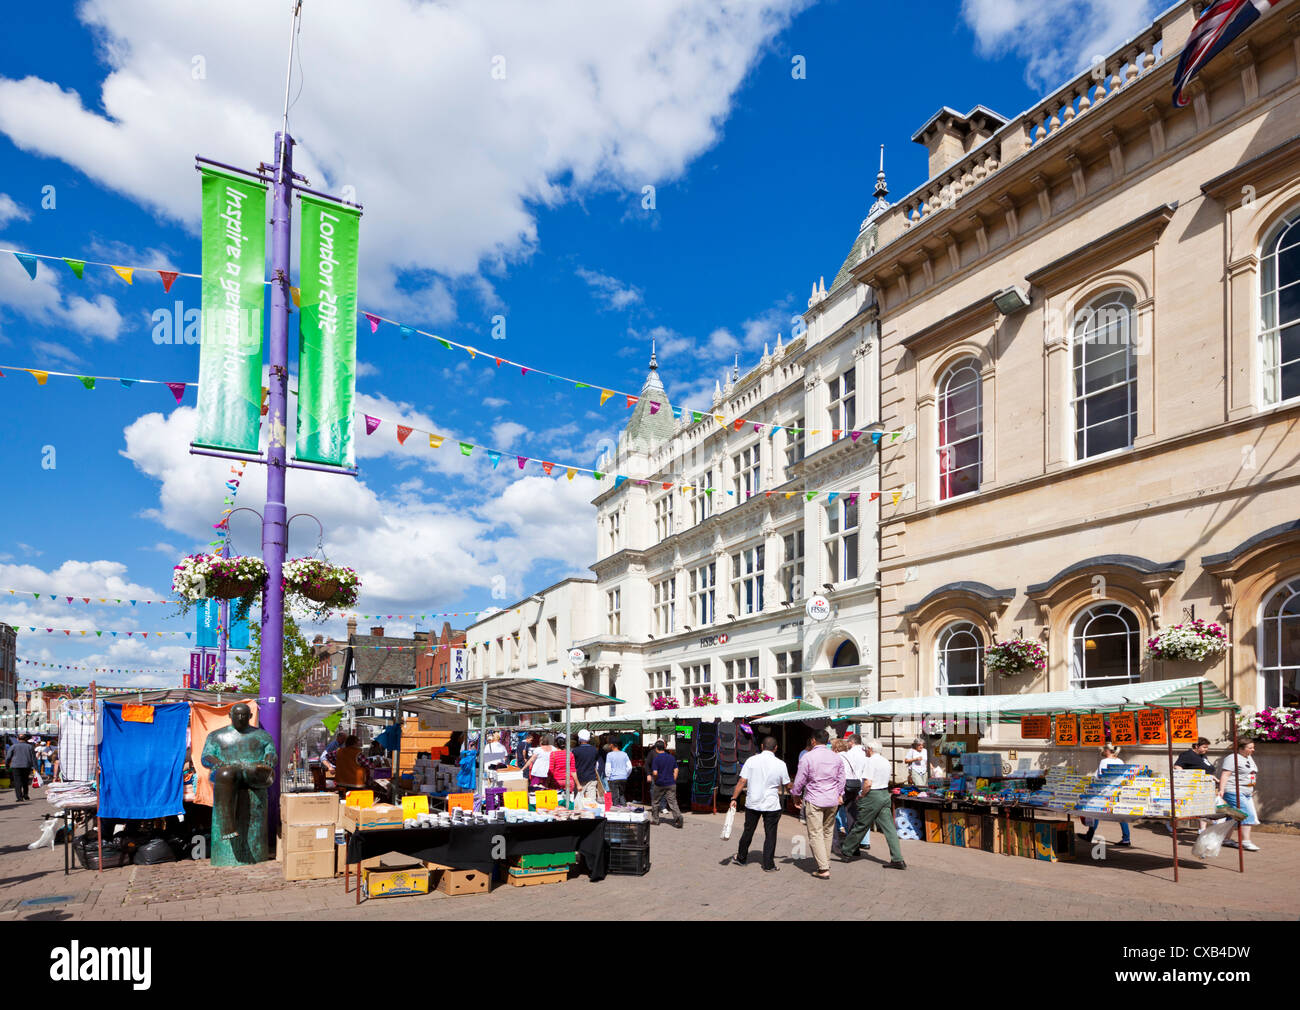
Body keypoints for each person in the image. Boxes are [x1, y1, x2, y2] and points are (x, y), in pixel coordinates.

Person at [841, 739, 906, 868]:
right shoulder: (885, 761)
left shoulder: (870, 761)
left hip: (873, 795)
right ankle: (897, 858)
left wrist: (862, 795)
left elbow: (868, 783)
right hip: (884, 794)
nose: (864, 751)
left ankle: (847, 850)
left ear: (870, 749)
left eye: (865, 749)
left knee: (861, 824)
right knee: (889, 828)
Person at [791, 728, 846, 880]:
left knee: (815, 833)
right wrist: (840, 793)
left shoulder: (808, 757)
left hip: (815, 799)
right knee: (828, 831)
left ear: (813, 740)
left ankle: (823, 868)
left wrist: (795, 795)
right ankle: (825, 861)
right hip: (832, 799)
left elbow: (800, 779)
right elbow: (842, 779)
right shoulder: (836, 757)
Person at [730, 736, 790, 871]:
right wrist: (797, 795)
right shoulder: (781, 764)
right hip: (772, 804)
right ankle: (769, 865)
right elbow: (787, 784)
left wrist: (734, 798)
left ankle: (741, 857)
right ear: (776, 748)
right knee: (770, 834)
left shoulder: (751, 760)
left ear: (762, 746)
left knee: (748, 831)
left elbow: (742, 781)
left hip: (753, 803)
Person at [1080, 744, 1131, 846]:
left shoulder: (1104, 761)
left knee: (1095, 812)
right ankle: (1126, 838)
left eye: (1104, 749)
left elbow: (1100, 776)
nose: (1102, 750)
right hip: (1117, 791)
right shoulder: (1120, 761)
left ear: (1108, 750)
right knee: (1120, 815)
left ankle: (1090, 835)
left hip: (1105, 791)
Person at [1219, 739, 1260, 851]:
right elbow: (1225, 775)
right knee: (1246, 814)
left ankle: (1225, 839)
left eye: (1253, 747)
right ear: (1241, 748)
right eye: (1250, 748)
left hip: (1246, 792)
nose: (1253, 750)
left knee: (1233, 817)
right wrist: (1221, 790)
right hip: (1234, 791)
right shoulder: (1232, 758)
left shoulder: (1248, 757)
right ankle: (1245, 841)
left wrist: (1250, 788)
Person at [834, 735, 869, 854]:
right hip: (854, 786)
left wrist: (838, 793)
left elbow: (837, 775)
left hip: (843, 787)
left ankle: (836, 845)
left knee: (831, 815)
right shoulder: (852, 755)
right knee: (852, 816)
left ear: (835, 749)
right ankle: (855, 847)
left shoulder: (837, 757)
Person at [648, 739, 683, 828]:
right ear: (664, 747)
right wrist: (673, 779)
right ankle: (678, 817)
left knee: (655, 802)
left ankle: (655, 820)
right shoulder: (671, 757)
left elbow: (655, 773)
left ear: (656, 748)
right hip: (671, 783)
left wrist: (655, 780)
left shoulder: (656, 759)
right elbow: (676, 770)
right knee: (673, 802)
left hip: (659, 783)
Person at [572, 729, 603, 802]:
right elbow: (597, 765)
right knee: (591, 802)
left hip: (579, 779)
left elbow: (572, 766)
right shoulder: (594, 750)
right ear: (589, 739)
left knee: (578, 802)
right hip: (591, 778)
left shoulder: (575, 751)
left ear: (579, 739)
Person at [5, 733, 36, 801]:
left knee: (17, 781)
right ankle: (25, 795)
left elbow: (8, 757)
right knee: (25, 781)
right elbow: (33, 758)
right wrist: (36, 768)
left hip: (16, 766)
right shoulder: (30, 747)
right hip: (26, 765)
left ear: (17, 739)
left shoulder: (13, 746)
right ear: (25, 739)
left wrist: (6, 765)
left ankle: (19, 797)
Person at [604, 740, 632, 805]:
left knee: (615, 796)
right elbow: (629, 767)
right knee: (622, 795)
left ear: (612, 745)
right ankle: (624, 808)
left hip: (613, 778)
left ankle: (616, 810)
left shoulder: (609, 755)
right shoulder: (624, 754)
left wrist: (608, 777)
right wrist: (626, 775)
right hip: (623, 777)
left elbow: (608, 767)